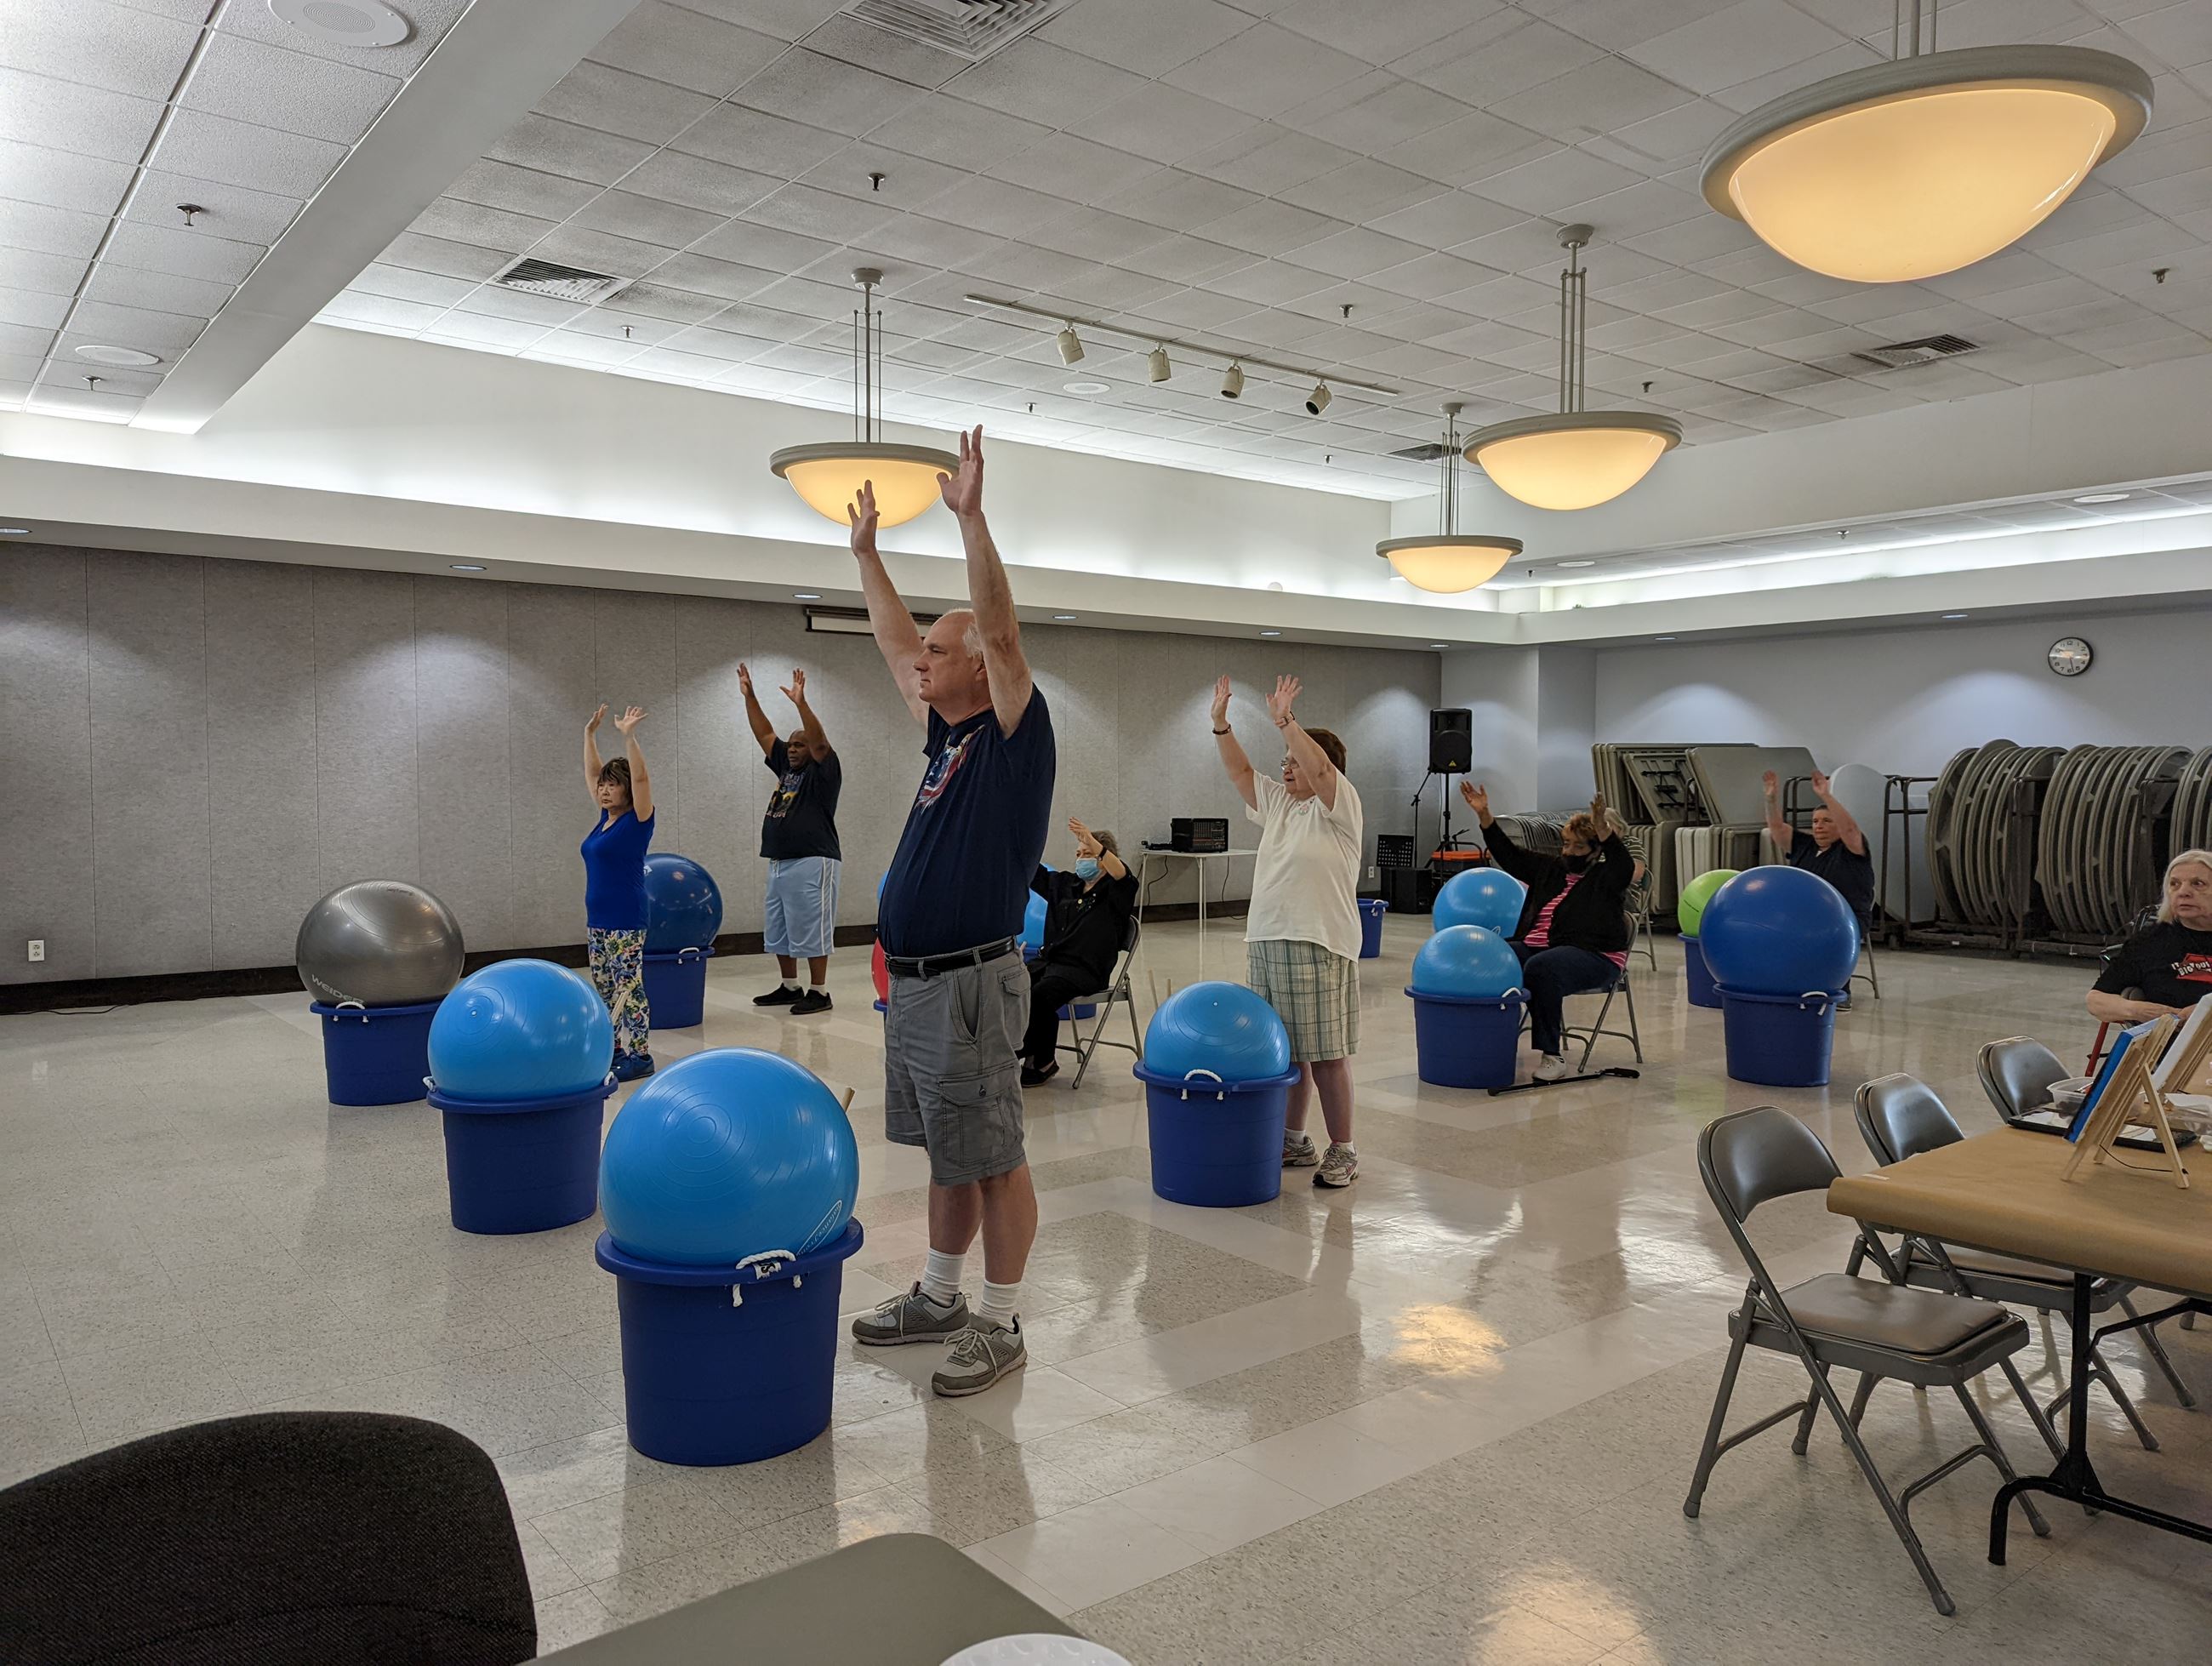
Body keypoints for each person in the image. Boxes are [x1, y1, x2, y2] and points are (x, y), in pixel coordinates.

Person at [845, 429, 1055, 1399]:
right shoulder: (948, 732)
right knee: (950, 1150)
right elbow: (895, 644)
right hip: (921, 985)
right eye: (925, 649)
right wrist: (868, 557)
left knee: (994, 1154)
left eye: (940, 650)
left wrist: (972, 521)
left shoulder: (1012, 736)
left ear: (978, 667)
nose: (920, 660)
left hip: (972, 983)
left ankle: (1000, 1319)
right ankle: (938, 1295)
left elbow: (1001, 635)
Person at [1212, 673, 1364, 1188]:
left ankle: (1344, 1149)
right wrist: (1220, 725)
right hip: (1267, 939)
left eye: (1294, 760)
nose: (1287, 767)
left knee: (1326, 1055)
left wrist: (1286, 721)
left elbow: (1318, 768)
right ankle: (1294, 1140)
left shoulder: (1340, 806)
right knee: (1288, 1051)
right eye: (1285, 761)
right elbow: (1240, 771)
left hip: (1318, 943)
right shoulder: (1279, 803)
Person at [1461, 782, 1633, 1082]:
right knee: (1492, 956)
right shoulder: (1551, 868)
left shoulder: (1607, 876)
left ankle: (1552, 1055)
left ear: (1596, 851)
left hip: (1595, 955)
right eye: (1566, 844)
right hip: (1542, 948)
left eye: (1579, 847)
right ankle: (1486, 1038)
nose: (1569, 851)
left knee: (1541, 967)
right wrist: (1485, 815)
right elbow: (1510, 855)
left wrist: (1603, 830)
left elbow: (1624, 865)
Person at [739, 662, 841, 1015]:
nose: (793, 749)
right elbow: (764, 733)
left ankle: (820, 991)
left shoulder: (824, 771)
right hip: (780, 862)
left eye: (800, 745)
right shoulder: (786, 766)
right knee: (780, 928)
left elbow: (820, 741)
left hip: (813, 860)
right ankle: (790, 985)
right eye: (792, 745)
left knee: (812, 928)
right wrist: (750, 696)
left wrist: (801, 704)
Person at [1021, 818, 1137, 1087]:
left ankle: (1041, 1060)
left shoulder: (1116, 892)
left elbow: (1123, 874)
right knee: (1013, 987)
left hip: (1085, 970)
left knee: (1041, 996)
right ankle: (1024, 1054)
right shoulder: (1067, 885)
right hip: (1051, 963)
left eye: (1088, 854)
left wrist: (1094, 843)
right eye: (1079, 854)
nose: (1081, 859)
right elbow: (1033, 872)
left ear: (1104, 859)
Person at [580, 704, 655, 1081]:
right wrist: (589, 735)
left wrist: (629, 737)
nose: (605, 790)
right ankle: (615, 1050)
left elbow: (641, 778)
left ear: (627, 790)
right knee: (605, 989)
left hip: (625, 921)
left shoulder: (637, 822)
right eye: (603, 785)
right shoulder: (603, 821)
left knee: (629, 989)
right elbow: (593, 772)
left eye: (613, 784)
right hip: (597, 922)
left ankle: (640, 1055)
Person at [2089, 849, 2212, 1022]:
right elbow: (2096, 1000)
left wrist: (2205, 1012)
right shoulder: (2150, 940)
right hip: (2170, 1034)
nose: (2183, 892)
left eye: (2198, 884)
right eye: (2174, 884)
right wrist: (2140, 1010)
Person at [1762, 768, 1875, 920]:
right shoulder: (1804, 845)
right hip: (1804, 916)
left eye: (1827, 821)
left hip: (1843, 919)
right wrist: (1770, 799)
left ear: (1839, 826)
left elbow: (1850, 829)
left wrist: (1826, 796)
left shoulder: (1850, 850)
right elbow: (1777, 828)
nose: (1819, 826)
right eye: (1815, 821)